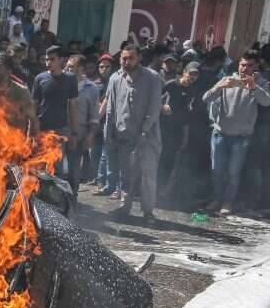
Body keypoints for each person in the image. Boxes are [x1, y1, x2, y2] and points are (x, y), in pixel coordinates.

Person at [202, 49, 270, 215]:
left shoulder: (260, 82)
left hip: (241, 137)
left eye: (249, 66)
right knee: (216, 170)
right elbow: (206, 98)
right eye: (242, 65)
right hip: (220, 134)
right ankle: (216, 199)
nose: (244, 69)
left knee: (234, 173)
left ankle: (227, 202)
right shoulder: (227, 79)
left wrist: (253, 87)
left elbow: (266, 102)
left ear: (256, 67)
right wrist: (220, 86)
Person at [104, 45, 164, 224]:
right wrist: (109, 134)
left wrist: (144, 131)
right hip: (124, 136)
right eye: (123, 58)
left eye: (130, 58)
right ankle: (124, 208)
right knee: (125, 175)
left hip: (148, 136)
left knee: (148, 175)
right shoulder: (115, 78)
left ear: (139, 58)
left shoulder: (152, 78)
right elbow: (110, 108)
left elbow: (154, 108)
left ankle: (148, 212)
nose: (125, 61)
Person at [32, 46, 78, 179]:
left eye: (52, 59)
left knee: (56, 168)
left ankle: (54, 198)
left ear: (61, 60)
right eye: (47, 59)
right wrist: (31, 131)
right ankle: (36, 197)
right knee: (38, 165)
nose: (48, 63)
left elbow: (73, 106)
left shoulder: (70, 79)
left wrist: (74, 132)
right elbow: (34, 105)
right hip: (42, 128)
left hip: (60, 129)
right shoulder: (39, 78)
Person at [158, 61, 199, 202]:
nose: (192, 77)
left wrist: (186, 137)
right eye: (191, 74)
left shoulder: (192, 91)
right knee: (157, 158)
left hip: (177, 131)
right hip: (163, 127)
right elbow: (155, 99)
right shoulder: (171, 84)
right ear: (184, 72)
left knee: (169, 161)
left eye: (195, 75)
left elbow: (187, 114)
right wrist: (162, 106)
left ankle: (162, 190)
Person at [65, 54, 100, 194]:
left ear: (81, 69)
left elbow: (94, 115)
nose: (67, 69)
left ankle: (72, 200)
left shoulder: (92, 88)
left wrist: (90, 135)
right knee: (58, 170)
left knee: (74, 170)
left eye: (71, 67)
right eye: (67, 66)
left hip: (79, 135)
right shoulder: (62, 83)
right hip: (60, 133)